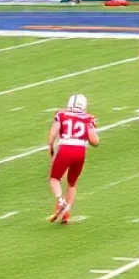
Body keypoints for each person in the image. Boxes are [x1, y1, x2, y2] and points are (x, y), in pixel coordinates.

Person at [47, 93, 99, 224]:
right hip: (80, 151)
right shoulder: (88, 118)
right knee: (72, 183)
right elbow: (95, 142)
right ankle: (66, 213)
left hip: (65, 149)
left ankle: (60, 202)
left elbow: (52, 135)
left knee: (54, 178)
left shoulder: (62, 115)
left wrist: (51, 148)